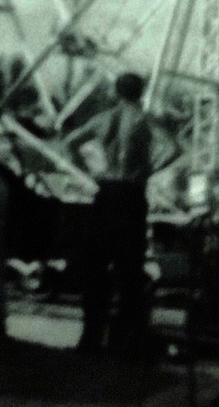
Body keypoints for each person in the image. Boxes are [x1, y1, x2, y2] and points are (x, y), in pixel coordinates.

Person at [75, 71, 153, 357]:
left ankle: (90, 338)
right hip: (131, 195)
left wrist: (94, 168)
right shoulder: (144, 120)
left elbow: (73, 141)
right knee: (129, 270)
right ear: (141, 92)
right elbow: (171, 147)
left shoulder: (103, 119)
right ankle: (124, 339)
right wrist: (144, 169)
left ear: (116, 92)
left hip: (105, 191)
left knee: (95, 266)